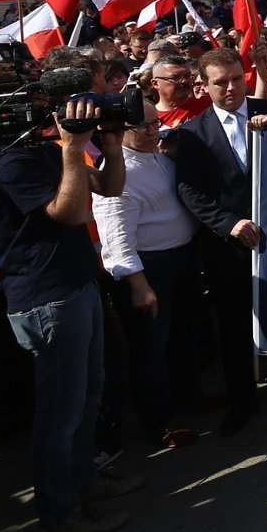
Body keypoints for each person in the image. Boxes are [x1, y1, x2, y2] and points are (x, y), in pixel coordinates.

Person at [0, 58, 142, 532]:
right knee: (59, 413)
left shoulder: (41, 148)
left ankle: (84, 482)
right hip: (46, 297)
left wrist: (109, 143)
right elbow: (69, 213)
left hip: (75, 284)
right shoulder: (10, 158)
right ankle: (60, 514)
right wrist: (73, 146)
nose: (47, 105)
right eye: (35, 97)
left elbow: (110, 189)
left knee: (87, 396)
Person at [174, 49, 267, 436]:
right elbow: (189, 190)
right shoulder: (192, 133)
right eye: (220, 82)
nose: (231, 88)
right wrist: (229, 223)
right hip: (228, 248)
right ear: (203, 86)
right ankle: (243, 399)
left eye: (236, 79)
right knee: (233, 324)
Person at [93, 107, 199, 450]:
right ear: (120, 130)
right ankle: (158, 421)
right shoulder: (116, 172)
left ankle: (185, 401)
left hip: (181, 260)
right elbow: (115, 238)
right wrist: (138, 285)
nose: (153, 131)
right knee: (150, 349)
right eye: (142, 126)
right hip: (149, 269)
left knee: (182, 337)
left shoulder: (158, 156)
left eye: (156, 123)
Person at [147, 53, 209, 128]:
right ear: (155, 84)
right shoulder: (149, 118)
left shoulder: (207, 105)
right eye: (175, 77)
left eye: (187, 76)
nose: (184, 81)